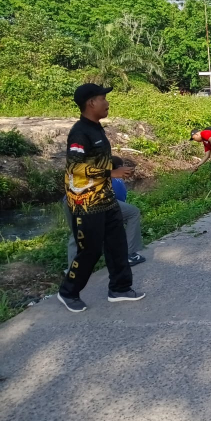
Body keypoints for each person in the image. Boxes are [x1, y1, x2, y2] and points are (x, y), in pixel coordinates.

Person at [57, 83, 145, 313]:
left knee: (117, 245)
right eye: (103, 99)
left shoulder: (97, 128)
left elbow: (96, 160)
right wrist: (111, 172)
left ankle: (120, 288)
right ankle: (68, 292)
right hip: (85, 203)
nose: (107, 103)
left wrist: (116, 167)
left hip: (105, 199)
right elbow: (76, 167)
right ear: (91, 103)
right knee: (90, 250)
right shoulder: (79, 132)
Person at [63, 156, 145, 273]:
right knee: (133, 213)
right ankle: (129, 255)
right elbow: (117, 212)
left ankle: (73, 268)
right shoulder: (116, 181)